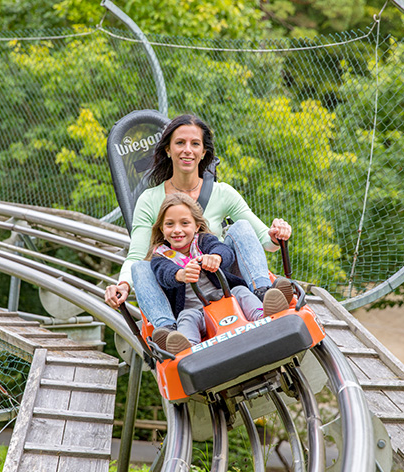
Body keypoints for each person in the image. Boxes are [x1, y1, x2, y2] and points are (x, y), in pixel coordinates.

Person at [104, 114, 293, 346]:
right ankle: (169, 332)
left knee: (241, 226)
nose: (187, 150)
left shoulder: (223, 193)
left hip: (221, 278)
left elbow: (264, 240)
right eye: (180, 143)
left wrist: (276, 235)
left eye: (195, 144)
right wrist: (123, 285)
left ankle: (263, 294)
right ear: (167, 150)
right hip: (183, 293)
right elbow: (137, 255)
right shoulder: (149, 200)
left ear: (203, 152)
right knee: (141, 267)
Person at [148, 193, 289, 354]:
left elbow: (224, 250)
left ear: (196, 227)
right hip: (197, 312)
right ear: (161, 229)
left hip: (227, 299)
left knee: (241, 292)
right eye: (170, 224)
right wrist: (180, 274)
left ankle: (262, 314)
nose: (177, 230)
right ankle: (186, 346)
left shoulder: (203, 241)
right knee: (186, 317)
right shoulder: (161, 256)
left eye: (185, 223)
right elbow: (163, 273)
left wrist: (215, 257)